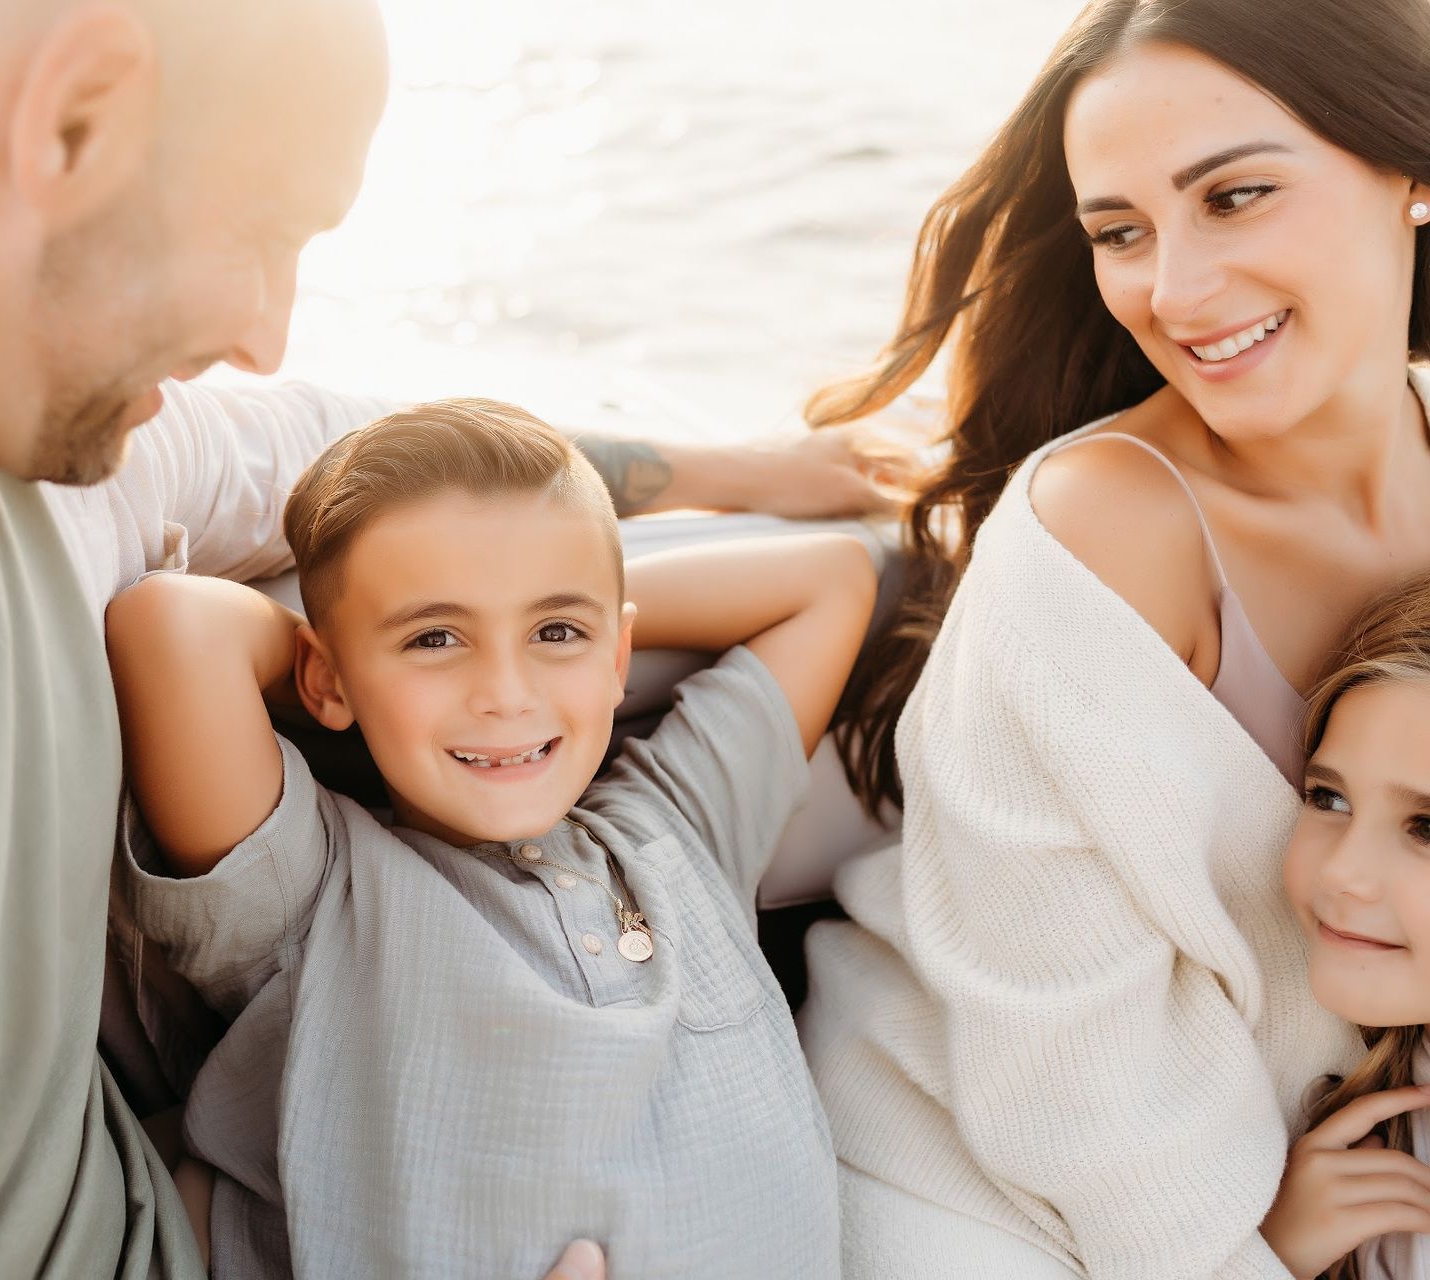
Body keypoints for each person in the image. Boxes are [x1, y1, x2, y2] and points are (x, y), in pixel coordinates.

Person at [0, 1, 893, 1274]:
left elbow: (330, 442)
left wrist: (727, 469)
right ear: (76, 117)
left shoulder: (56, 430)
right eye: (267, 233)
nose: (265, 332)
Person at [774, 0, 1430, 1274]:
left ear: (1408, 167)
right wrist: (1252, 1256)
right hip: (995, 1188)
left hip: (1330, 1167)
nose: (1173, 290)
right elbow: (1063, 1057)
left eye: (1234, 197)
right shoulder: (1102, 535)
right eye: (1119, 232)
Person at [104, 398, 875, 1278]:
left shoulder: (682, 825)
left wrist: (562, 615)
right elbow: (170, 629)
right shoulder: (315, 901)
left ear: (615, 656)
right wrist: (356, 661)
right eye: (435, 638)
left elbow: (833, 579)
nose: (506, 693)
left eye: (556, 632)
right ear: (324, 673)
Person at [1267, 573, 1430, 1279]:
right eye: (1327, 797)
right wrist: (1274, 1262)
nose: (1342, 874)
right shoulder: (1343, 1121)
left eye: (1427, 827)